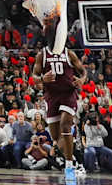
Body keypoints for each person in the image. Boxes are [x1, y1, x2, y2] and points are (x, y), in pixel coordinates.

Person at [32, 42, 87, 182]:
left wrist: (82, 80)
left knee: (65, 126)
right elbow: (34, 77)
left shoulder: (69, 53)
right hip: (51, 96)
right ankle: (75, 161)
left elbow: (83, 71)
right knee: (56, 138)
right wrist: (42, 79)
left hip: (68, 94)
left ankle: (69, 166)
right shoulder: (42, 54)